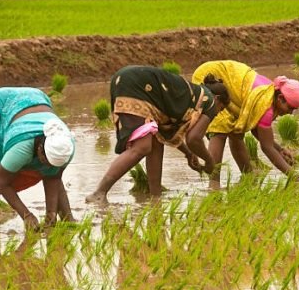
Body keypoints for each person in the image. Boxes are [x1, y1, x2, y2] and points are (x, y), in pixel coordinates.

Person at [86, 65, 229, 203]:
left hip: (127, 79)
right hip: (138, 85)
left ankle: (155, 196)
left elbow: (165, 134)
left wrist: (188, 154)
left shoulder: (189, 97)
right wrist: (210, 162)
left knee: (155, 142)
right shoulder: (209, 100)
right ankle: (99, 193)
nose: (216, 114)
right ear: (217, 99)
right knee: (142, 147)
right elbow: (194, 139)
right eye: (220, 109)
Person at [192, 60, 299, 188]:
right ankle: (214, 184)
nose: (290, 113)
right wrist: (295, 177)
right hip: (213, 76)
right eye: (290, 108)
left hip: (233, 85)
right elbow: (267, 147)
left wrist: (280, 150)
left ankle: (248, 176)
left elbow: (260, 133)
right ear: (280, 99)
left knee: (236, 133)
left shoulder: (270, 95)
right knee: (220, 130)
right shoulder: (265, 104)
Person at [0, 87, 75, 230]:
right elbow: (1, 181)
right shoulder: (21, 148)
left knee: (50, 171)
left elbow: (53, 178)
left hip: (37, 97)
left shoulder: (67, 146)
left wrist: (51, 214)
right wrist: (26, 215)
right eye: (46, 161)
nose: (48, 165)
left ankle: (68, 220)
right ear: (40, 149)